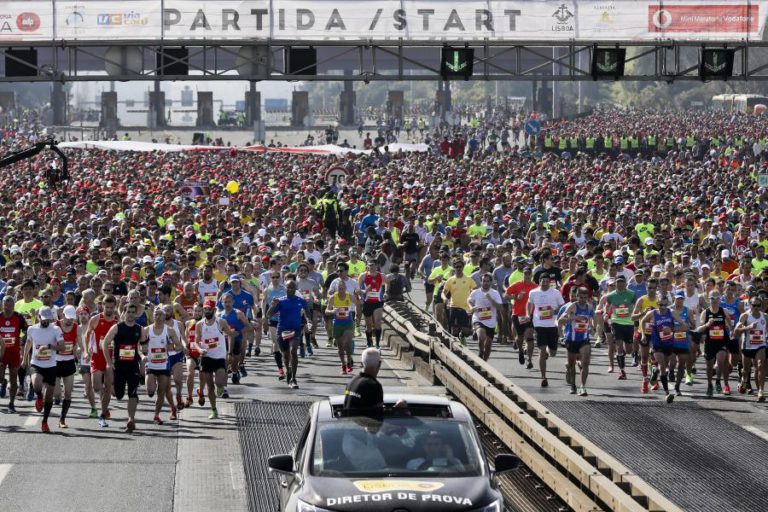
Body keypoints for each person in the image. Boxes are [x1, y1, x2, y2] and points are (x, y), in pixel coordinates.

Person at [101, 302, 145, 432]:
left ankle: (131, 420)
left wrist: (142, 364)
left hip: (133, 366)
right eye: (128, 312)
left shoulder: (139, 329)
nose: (130, 315)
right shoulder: (117, 327)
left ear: (136, 314)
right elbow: (105, 343)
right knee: (119, 394)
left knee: (132, 392)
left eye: (133, 312)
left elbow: (143, 348)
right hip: (119, 366)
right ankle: (112, 393)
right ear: (124, 313)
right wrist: (109, 362)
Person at [22, 307, 65, 432]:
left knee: (49, 396)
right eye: (43, 319)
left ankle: (45, 421)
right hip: (36, 363)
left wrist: (50, 346)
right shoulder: (32, 329)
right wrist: (24, 358)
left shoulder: (56, 329)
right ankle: (39, 397)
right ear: (39, 317)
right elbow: (28, 343)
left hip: (51, 365)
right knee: (36, 385)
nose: (46, 322)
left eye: (48, 320)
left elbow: (62, 347)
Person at [641, 296, 685, 403]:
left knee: (663, 367)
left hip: (669, 344)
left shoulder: (672, 313)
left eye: (665, 305)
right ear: (657, 304)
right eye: (660, 305)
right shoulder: (652, 313)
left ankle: (655, 372)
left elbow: (684, 326)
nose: (663, 307)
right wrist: (643, 334)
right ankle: (666, 392)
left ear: (668, 304)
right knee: (663, 367)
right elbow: (643, 321)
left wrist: (672, 329)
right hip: (657, 344)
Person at [84, 295, 119, 427]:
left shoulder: (117, 320)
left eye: (111, 307)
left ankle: (104, 412)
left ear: (114, 307)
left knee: (108, 387)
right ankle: (104, 397)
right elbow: (87, 335)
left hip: (111, 358)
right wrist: (86, 351)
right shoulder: (96, 319)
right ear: (102, 305)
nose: (109, 309)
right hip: (97, 357)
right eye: (106, 307)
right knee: (97, 387)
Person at [266, 280, 308, 389]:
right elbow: (269, 315)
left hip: (295, 330)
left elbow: (308, 312)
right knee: (286, 356)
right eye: (288, 287)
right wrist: (272, 305)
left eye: (293, 288)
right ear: (285, 289)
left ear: (295, 289)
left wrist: (309, 322)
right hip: (283, 331)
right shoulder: (280, 301)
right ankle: (288, 370)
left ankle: (294, 378)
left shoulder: (300, 301)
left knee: (294, 351)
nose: (290, 290)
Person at [143, 307, 182, 425]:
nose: (158, 317)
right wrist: (142, 354)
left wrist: (173, 347)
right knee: (150, 391)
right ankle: (162, 408)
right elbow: (140, 348)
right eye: (156, 315)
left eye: (161, 315)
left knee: (161, 391)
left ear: (165, 317)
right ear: (153, 316)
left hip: (164, 365)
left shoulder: (169, 330)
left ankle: (156, 415)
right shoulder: (146, 330)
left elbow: (180, 346)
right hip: (151, 364)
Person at [196, 299, 233, 419]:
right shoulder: (199, 324)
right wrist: (199, 350)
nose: (207, 311)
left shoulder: (220, 322)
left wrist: (229, 352)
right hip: (206, 357)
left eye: (209, 309)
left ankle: (221, 387)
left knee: (219, 382)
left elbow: (229, 335)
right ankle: (214, 410)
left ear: (213, 310)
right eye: (205, 309)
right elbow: (196, 342)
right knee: (210, 386)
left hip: (219, 357)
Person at [527, 275, 564, 387]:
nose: (545, 283)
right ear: (539, 282)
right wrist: (529, 314)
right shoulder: (533, 292)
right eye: (543, 281)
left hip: (553, 325)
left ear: (550, 282)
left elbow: (562, 306)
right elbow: (529, 303)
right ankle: (543, 377)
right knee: (541, 351)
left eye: (547, 281)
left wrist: (555, 310)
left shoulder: (556, 293)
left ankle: (548, 351)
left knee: (552, 353)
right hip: (539, 324)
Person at [559, 286, 595, 396]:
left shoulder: (589, 307)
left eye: (585, 297)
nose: (583, 300)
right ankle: (573, 385)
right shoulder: (572, 306)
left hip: (584, 339)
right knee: (571, 365)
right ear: (577, 296)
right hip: (571, 339)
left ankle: (583, 387)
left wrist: (592, 328)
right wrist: (574, 318)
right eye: (581, 297)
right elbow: (561, 320)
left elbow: (592, 321)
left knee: (585, 363)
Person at [697, 292, 733, 398]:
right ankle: (709, 385)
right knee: (709, 366)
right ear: (709, 299)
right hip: (710, 342)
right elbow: (699, 329)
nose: (715, 300)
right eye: (712, 298)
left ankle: (718, 380)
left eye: (717, 297)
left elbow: (730, 325)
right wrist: (708, 324)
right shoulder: (705, 312)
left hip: (722, 341)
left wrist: (731, 331)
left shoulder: (724, 311)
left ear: (720, 299)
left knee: (721, 360)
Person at [734, 296, 767, 401]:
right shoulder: (745, 316)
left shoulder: (765, 316)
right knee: (746, 370)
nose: (756, 307)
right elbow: (736, 331)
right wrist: (749, 327)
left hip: (760, 345)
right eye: (754, 305)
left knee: (760, 365)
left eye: (758, 305)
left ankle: (761, 391)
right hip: (747, 347)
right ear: (750, 304)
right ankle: (744, 379)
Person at [54, 305, 81, 428]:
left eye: (72, 318)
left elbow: (80, 343)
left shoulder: (76, 327)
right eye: (69, 318)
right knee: (57, 394)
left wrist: (80, 350)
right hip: (55, 361)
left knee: (68, 393)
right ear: (63, 315)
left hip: (69, 361)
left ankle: (62, 419)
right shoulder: (55, 326)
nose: (70, 320)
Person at [0, 295, 28, 413]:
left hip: (14, 352)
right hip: (1, 353)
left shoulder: (18, 317)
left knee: (13, 378)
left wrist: (22, 341)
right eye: (6, 304)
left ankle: (11, 403)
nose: (8, 307)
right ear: (2, 305)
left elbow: (27, 330)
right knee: (0, 378)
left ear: (14, 305)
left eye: (11, 304)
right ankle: (3, 382)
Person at [468, 273, 504, 361]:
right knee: (481, 337)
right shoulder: (475, 292)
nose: (486, 283)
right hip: (478, 319)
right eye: (484, 281)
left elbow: (500, 307)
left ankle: (484, 362)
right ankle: (481, 350)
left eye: (488, 281)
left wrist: (491, 299)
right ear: (481, 282)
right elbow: (469, 300)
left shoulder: (494, 293)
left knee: (488, 346)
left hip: (491, 322)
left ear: (491, 282)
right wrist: (471, 307)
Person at [326, 280, 356, 374]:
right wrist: (333, 311)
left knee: (347, 342)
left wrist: (357, 316)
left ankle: (349, 359)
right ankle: (343, 365)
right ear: (337, 289)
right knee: (340, 347)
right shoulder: (333, 298)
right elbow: (327, 311)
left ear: (346, 289)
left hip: (348, 322)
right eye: (339, 289)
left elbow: (358, 304)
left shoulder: (350, 296)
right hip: (338, 324)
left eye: (343, 289)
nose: (341, 290)